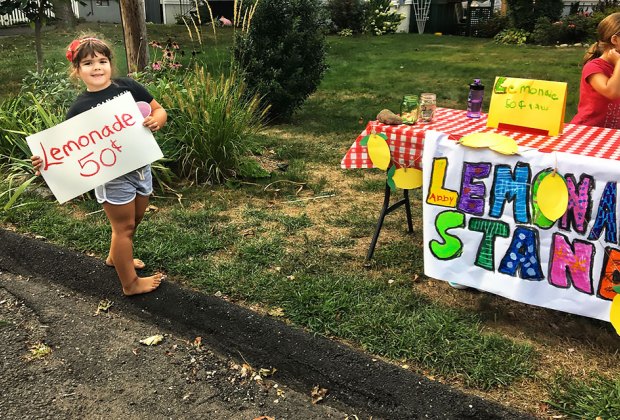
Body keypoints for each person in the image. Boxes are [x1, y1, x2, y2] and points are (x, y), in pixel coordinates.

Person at [31, 35, 167, 296]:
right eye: (88, 63)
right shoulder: (79, 108)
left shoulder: (128, 87)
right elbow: (67, 150)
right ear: (77, 70)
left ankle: (116, 257)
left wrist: (156, 121)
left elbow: (158, 110)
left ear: (109, 64)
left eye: (102, 61)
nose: (97, 67)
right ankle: (130, 283)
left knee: (134, 220)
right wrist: (44, 160)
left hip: (140, 168)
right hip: (111, 176)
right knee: (124, 228)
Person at [571, 12, 620, 129]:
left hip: (612, 134)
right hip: (586, 132)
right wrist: (619, 63)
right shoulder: (594, 67)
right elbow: (611, 92)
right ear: (615, 40)